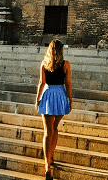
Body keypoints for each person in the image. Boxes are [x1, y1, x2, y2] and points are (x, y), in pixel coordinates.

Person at [35, 39, 72, 179]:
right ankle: (51, 156)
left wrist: (37, 99)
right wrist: (70, 100)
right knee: (55, 128)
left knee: (47, 131)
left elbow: (41, 82)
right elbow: (68, 83)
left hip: (48, 95)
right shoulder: (66, 64)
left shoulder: (44, 64)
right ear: (61, 50)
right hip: (61, 95)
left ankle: (47, 165)